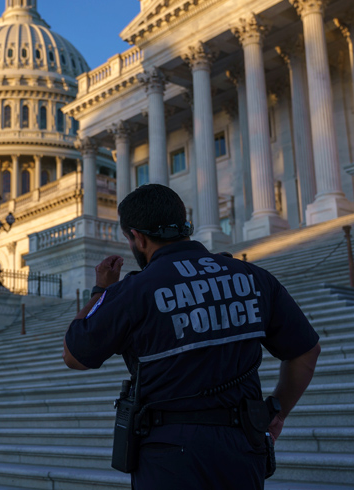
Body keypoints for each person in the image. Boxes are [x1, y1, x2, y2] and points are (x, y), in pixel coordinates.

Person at [62, 184, 321, 489]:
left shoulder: (134, 291)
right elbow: (307, 351)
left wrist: (101, 291)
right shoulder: (251, 277)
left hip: (168, 455)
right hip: (242, 447)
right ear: (185, 226)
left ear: (137, 238)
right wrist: (278, 409)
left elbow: (74, 354)